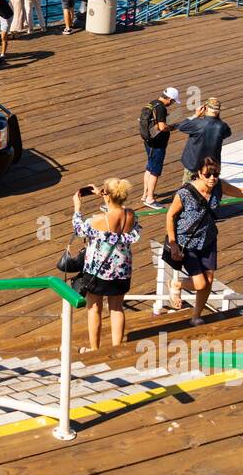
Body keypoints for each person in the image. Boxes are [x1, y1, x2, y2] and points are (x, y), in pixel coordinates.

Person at [165, 158, 243, 326]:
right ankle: (176, 283)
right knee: (200, 283)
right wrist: (173, 243)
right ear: (199, 174)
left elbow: (240, 192)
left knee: (209, 280)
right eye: (208, 174)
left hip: (208, 239)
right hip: (187, 242)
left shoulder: (219, 186)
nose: (212, 178)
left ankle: (196, 315)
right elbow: (170, 215)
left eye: (216, 174)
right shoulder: (184, 193)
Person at [72, 179, 140, 352]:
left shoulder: (99, 220)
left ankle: (95, 350)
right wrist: (102, 193)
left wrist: (77, 207)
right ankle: (116, 349)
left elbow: (79, 229)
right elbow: (117, 212)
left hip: (99, 271)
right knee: (117, 308)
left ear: (108, 196)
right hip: (122, 270)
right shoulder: (131, 215)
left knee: (94, 308)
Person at [140, 86, 180, 208]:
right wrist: (172, 127)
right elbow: (162, 127)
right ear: (169, 99)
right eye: (172, 101)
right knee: (155, 171)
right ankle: (150, 199)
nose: (171, 104)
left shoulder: (152, 103)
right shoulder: (161, 108)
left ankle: (145, 194)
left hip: (148, 141)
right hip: (157, 144)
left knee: (149, 168)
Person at [176, 97, 231, 184]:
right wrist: (217, 118)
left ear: (205, 108)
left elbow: (182, 126)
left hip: (193, 164)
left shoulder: (197, 123)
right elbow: (227, 133)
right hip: (209, 167)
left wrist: (195, 115)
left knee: (187, 190)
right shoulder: (222, 126)